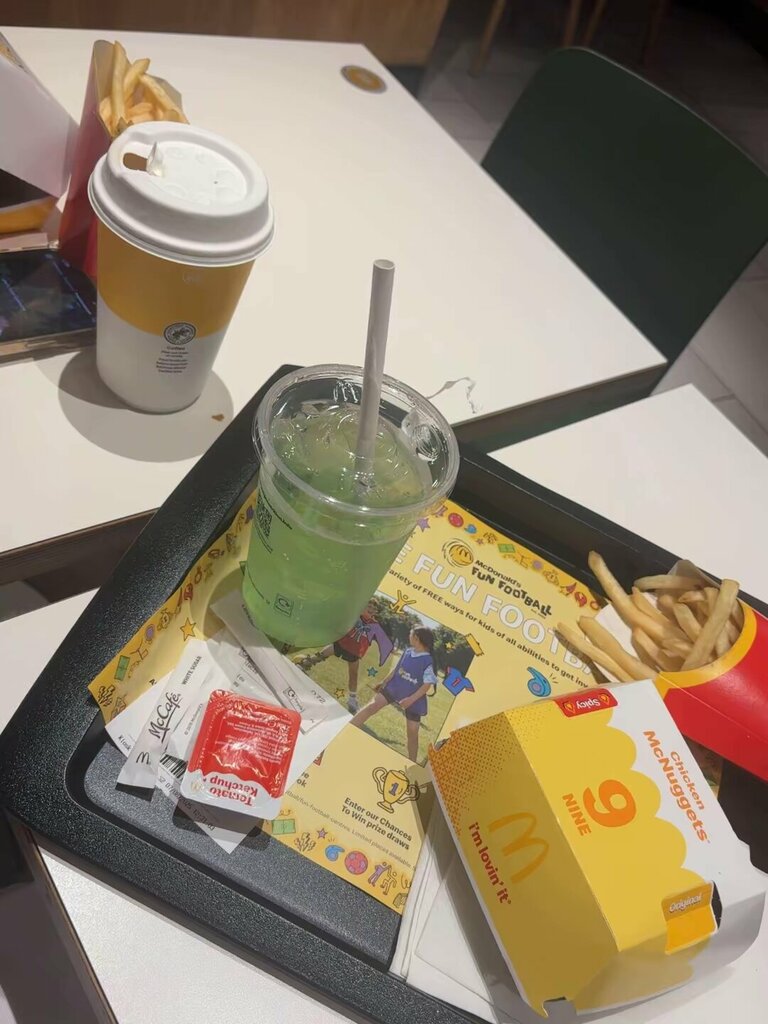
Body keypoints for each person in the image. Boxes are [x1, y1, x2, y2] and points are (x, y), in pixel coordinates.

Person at [350, 627, 437, 763]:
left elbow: (427, 685)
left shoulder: (428, 661)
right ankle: (348, 728)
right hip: (394, 688)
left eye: (411, 634)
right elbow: (396, 670)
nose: (409, 636)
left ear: (417, 638)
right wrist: (383, 682)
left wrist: (410, 700)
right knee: (372, 706)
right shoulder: (408, 651)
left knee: (412, 733)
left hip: (414, 698)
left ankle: (411, 763)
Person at [295, 602, 390, 713]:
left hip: (354, 652)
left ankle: (352, 700)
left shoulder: (374, 625)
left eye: (374, 608)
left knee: (353, 675)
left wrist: (385, 651)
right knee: (320, 656)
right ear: (363, 606)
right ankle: (302, 665)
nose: (371, 609)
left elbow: (383, 641)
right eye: (369, 606)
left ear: (376, 612)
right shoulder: (354, 615)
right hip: (341, 644)